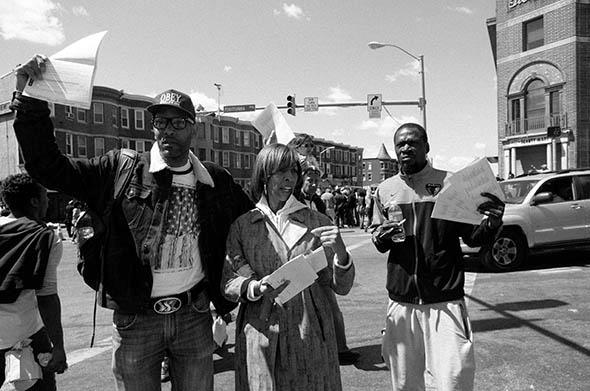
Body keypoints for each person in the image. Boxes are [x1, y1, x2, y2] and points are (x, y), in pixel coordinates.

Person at [11, 54, 253, 390]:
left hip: (194, 316)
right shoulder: (119, 170)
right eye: (161, 122)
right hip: (136, 320)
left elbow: (254, 221)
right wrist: (31, 101)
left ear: (193, 127)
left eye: (178, 122)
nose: (168, 130)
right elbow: (50, 168)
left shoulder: (214, 181)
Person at [371, 123, 505, 391]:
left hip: (445, 300)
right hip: (402, 302)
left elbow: (473, 237)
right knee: (406, 383)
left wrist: (492, 223)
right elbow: (378, 238)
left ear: (426, 147)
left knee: (454, 379)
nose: (406, 148)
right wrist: (381, 236)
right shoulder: (384, 190)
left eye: (413, 142)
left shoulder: (450, 184)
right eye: (400, 144)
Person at [221, 144, 355, 390]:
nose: (290, 179)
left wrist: (341, 252)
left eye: (293, 171)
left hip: (309, 332)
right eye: (281, 172)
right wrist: (254, 287)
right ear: (264, 174)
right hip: (260, 330)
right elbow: (229, 279)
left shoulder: (317, 222)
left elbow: (342, 287)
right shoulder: (243, 226)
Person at [0, 174, 68, 390]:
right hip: (27, 334)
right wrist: (58, 346)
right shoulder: (45, 238)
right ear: (34, 201)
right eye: (45, 196)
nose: (48, 201)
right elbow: (46, 297)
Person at [296, 166, 359, 365]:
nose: (314, 185)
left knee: (333, 309)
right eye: (310, 180)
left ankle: (340, 348)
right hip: (303, 262)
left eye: (316, 181)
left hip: (321, 260)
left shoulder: (316, 202)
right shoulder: (293, 201)